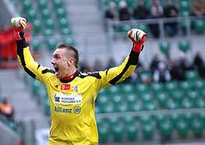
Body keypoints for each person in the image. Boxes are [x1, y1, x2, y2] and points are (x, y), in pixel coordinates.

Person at [13, 17, 146, 145]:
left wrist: (136, 48)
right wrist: (19, 35)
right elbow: (27, 64)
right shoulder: (50, 77)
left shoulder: (91, 80)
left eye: (57, 57)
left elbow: (122, 72)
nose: (52, 61)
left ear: (70, 61)